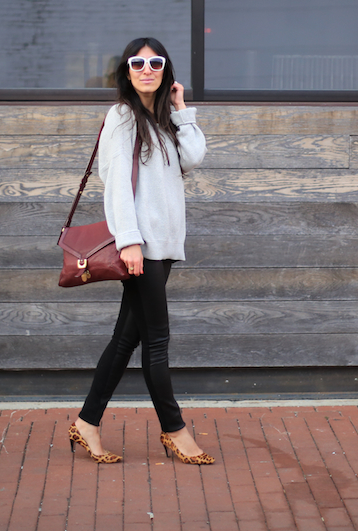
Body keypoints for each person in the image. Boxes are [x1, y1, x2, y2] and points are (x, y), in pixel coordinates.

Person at [68, 37, 213, 465]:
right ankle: (176, 431)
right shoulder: (122, 116)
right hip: (141, 248)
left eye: (155, 62)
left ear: (165, 70)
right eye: (137, 62)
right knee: (156, 343)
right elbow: (114, 186)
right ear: (126, 71)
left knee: (125, 340)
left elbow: (194, 158)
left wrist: (181, 110)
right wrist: (129, 239)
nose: (146, 68)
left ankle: (86, 424)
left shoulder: (161, 119)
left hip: (164, 246)